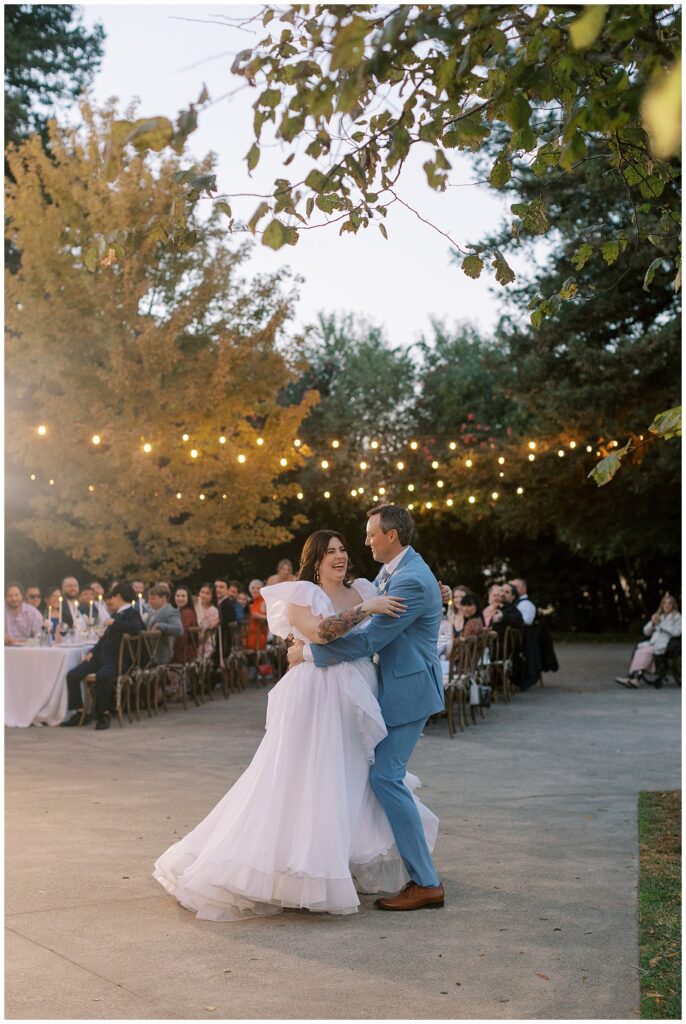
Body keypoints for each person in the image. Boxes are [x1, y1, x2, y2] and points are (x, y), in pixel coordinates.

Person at [153, 525, 438, 921]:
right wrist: (363, 613)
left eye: (343, 549)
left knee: (352, 774)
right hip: (317, 692)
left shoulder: (366, 588)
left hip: (359, 687)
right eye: (330, 551)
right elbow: (318, 633)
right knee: (308, 774)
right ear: (315, 560)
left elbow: (397, 610)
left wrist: (430, 595)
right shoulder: (303, 594)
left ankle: (343, 862)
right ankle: (300, 871)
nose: (340, 555)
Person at [288, 504, 447, 912]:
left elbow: (368, 641)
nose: (365, 542)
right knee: (375, 777)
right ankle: (384, 864)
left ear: (391, 535)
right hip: (391, 687)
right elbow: (380, 600)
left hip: (408, 691)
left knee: (386, 779)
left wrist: (307, 654)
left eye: (371, 534)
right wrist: (439, 592)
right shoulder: (397, 572)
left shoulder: (408, 578)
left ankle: (426, 883)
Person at [62, 582, 143, 730]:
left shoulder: (132, 613)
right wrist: (92, 652)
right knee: (73, 675)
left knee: (103, 675)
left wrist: (115, 623)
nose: (110, 601)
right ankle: (80, 712)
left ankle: (103, 714)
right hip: (102, 657)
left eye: (112, 598)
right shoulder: (117, 614)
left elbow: (136, 629)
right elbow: (105, 638)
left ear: (118, 597)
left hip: (118, 659)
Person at [615, 594, 682, 688]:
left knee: (644, 652)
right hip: (653, 642)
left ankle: (634, 679)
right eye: (665, 603)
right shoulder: (659, 616)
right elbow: (646, 632)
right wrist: (652, 623)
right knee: (639, 651)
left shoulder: (678, 617)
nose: (667, 606)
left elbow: (677, 632)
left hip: (666, 643)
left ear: (673, 605)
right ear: (662, 605)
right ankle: (631, 677)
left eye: (669, 604)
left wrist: (661, 624)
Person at [146, 584, 184, 665]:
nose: (150, 601)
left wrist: (160, 625)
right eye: (149, 599)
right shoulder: (151, 612)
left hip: (162, 656)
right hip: (150, 655)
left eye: (153, 599)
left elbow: (179, 630)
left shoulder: (171, 611)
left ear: (163, 598)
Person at [171, 585, 198, 664]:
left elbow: (181, 635)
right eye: (178, 596)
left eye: (183, 596)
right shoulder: (176, 611)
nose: (180, 598)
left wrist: (171, 651)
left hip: (183, 652)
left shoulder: (187, 613)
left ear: (188, 598)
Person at [195, 583, 220, 659]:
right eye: (202, 592)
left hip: (206, 644)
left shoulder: (213, 610)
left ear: (212, 596)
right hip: (193, 641)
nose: (203, 595)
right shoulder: (195, 607)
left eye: (207, 593)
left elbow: (204, 627)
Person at [245, 579, 268, 652]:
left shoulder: (264, 602)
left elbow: (272, 618)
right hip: (248, 636)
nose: (255, 590)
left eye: (258, 588)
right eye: (253, 588)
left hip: (258, 638)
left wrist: (260, 616)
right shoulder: (250, 603)